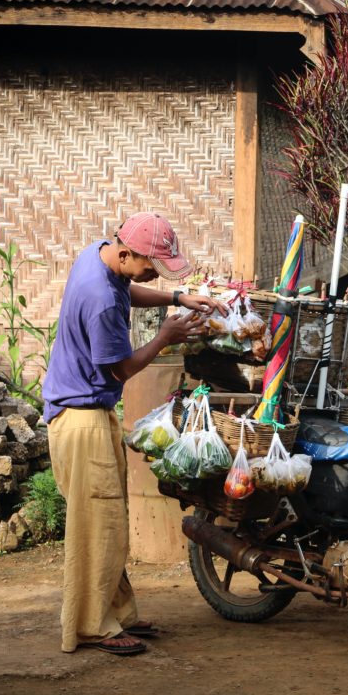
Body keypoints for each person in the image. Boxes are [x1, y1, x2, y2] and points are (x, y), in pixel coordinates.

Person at [42, 211, 227, 655]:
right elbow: (122, 369)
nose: (154, 273)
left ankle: (116, 613)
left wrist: (177, 298)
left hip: (85, 409)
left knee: (108, 520)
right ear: (126, 252)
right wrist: (165, 337)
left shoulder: (97, 255)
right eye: (151, 265)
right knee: (96, 526)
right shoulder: (100, 301)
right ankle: (90, 626)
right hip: (81, 418)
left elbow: (129, 287)